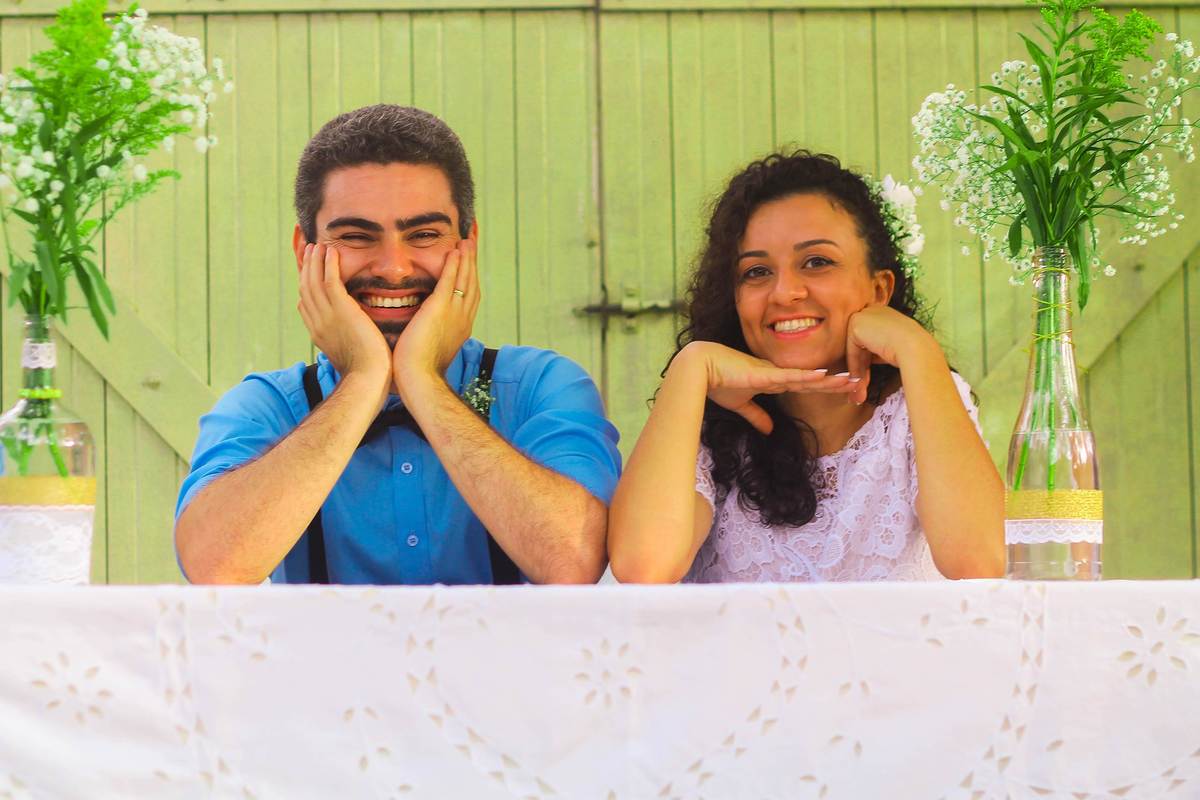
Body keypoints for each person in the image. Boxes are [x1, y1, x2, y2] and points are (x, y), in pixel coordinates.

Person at [175, 104, 621, 585]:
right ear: (304, 252)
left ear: (467, 242)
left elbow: (575, 562)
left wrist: (422, 382)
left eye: (424, 234)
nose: (394, 267)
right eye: (356, 236)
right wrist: (366, 378)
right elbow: (214, 569)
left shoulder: (542, 386)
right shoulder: (265, 405)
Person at [607, 151, 1005, 583]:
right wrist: (690, 367)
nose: (785, 292)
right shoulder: (710, 421)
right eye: (757, 271)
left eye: (817, 262)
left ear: (879, 288)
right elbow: (641, 568)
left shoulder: (920, 402)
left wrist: (916, 348)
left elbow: (979, 563)